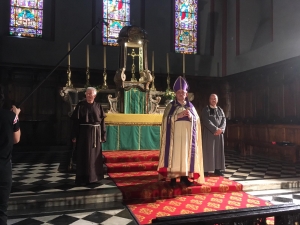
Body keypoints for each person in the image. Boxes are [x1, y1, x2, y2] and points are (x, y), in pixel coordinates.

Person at [157, 76, 205, 187]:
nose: (181, 94)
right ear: (175, 94)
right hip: (175, 138)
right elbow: (165, 120)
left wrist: (191, 118)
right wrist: (177, 116)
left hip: (188, 139)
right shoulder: (171, 106)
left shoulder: (191, 107)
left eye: (183, 92)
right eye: (178, 92)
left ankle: (184, 177)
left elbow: (197, 121)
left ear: (186, 94)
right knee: (175, 156)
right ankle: (173, 179)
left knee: (186, 156)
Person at [71, 87, 106, 185]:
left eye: (91, 94)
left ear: (95, 95)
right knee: (84, 156)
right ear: (85, 94)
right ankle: (83, 177)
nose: (89, 95)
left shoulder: (98, 106)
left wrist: (103, 134)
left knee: (95, 156)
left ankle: (95, 177)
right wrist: (74, 135)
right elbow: (75, 122)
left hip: (95, 134)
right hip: (83, 135)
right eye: (87, 94)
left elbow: (102, 122)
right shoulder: (80, 105)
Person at [0, 85, 21, 225]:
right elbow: (16, 139)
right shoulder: (10, 116)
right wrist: (16, 115)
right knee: (2, 209)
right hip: (3, 167)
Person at [201, 94, 226, 176]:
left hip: (219, 135)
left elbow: (224, 120)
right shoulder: (206, 110)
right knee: (208, 151)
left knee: (218, 151)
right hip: (209, 133)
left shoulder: (220, 110)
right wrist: (215, 129)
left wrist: (221, 129)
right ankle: (206, 170)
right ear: (209, 100)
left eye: (215, 98)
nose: (213, 100)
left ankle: (217, 169)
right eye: (211, 98)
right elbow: (206, 120)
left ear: (217, 100)